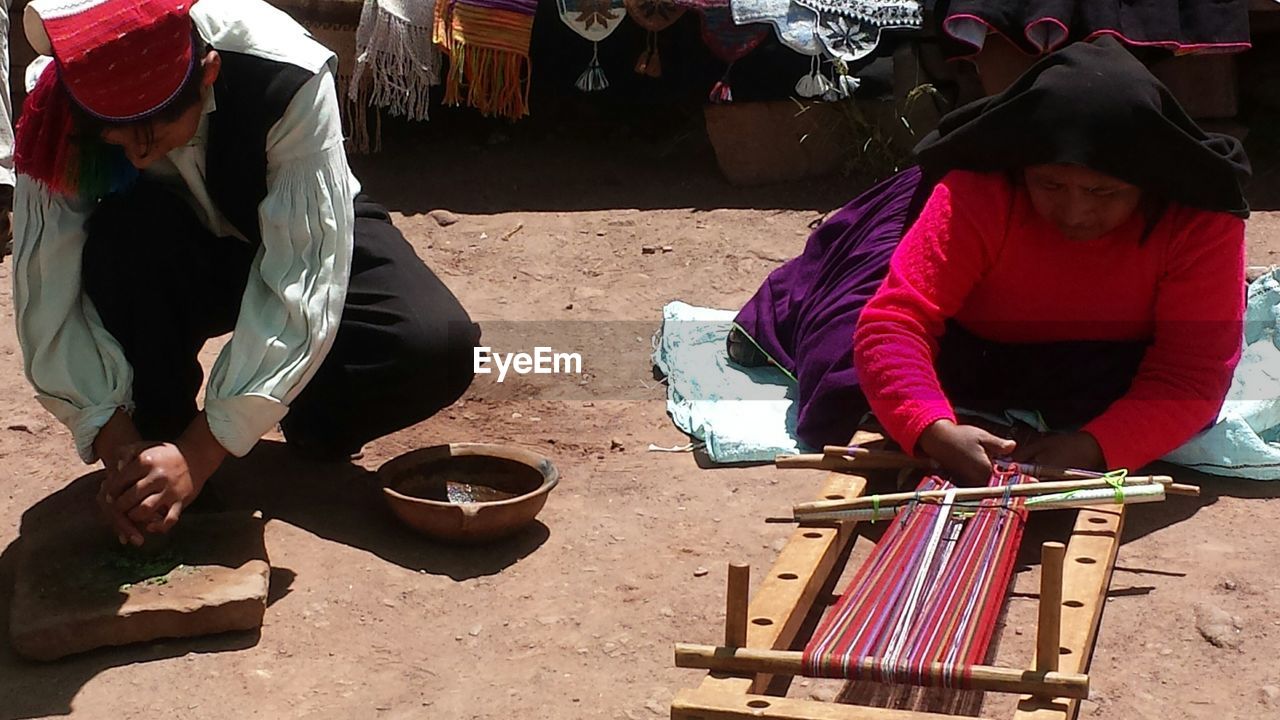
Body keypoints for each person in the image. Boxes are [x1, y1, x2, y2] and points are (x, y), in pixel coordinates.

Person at [12, 0, 480, 545]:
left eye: (156, 130)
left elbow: (306, 268)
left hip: (291, 228)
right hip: (166, 258)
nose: (138, 155)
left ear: (207, 75)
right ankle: (155, 447)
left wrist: (203, 451)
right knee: (124, 237)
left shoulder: (286, 72)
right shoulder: (62, 99)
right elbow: (47, 282)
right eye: (118, 134)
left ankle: (310, 419)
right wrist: (118, 446)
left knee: (436, 343)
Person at [731, 37, 1249, 485]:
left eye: (1103, 191)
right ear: (1023, 168)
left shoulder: (1198, 219)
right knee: (843, 365)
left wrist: (1092, 448)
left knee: (1139, 411)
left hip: (1098, 345)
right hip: (969, 331)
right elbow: (896, 321)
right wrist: (932, 430)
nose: (1074, 213)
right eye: (1050, 184)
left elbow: (1190, 371)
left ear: (1149, 184)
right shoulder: (980, 190)